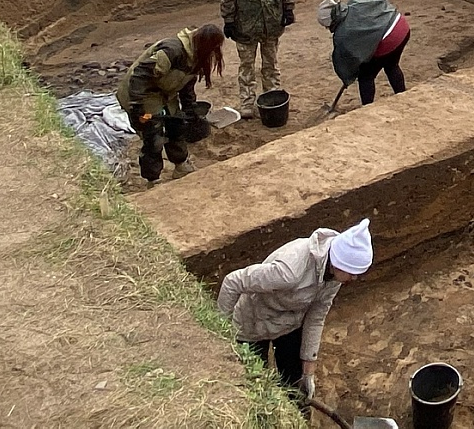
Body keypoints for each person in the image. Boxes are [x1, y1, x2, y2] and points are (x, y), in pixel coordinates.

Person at [217, 218, 373, 404]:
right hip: (253, 323)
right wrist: (220, 333)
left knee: (293, 385)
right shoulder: (290, 272)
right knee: (255, 388)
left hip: (289, 323)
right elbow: (233, 281)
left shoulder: (334, 276)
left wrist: (308, 373)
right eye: (352, 272)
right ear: (337, 263)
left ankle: (296, 418)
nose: (354, 278)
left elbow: (316, 318)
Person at [116, 23, 225, 183]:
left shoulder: (195, 55)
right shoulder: (172, 51)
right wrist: (137, 106)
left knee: (176, 124)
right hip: (141, 92)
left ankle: (181, 165)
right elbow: (139, 76)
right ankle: (153, 179)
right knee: (153, 134)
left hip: (163, 91)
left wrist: (190, 109)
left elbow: (187, 84)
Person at [317, 0, 409, 107]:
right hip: (401, 25)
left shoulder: (342, 34)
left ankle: (367, 107)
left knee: (366, 76)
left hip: (388, 39)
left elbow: (346, 59)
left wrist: (347, 76)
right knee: (391, 65)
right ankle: (402, 96)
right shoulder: (356, 2)